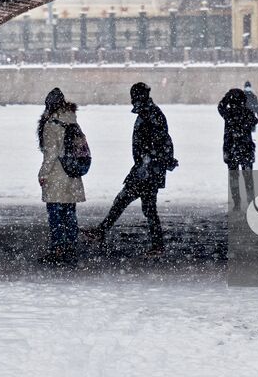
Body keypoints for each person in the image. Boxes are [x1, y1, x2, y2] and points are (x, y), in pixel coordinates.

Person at [87, 82, 178, 256]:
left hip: (147, 171)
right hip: (146, 169)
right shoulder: (148, 113)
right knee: (144, 207)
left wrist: (155, 161)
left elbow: (162, 141)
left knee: (127, 202)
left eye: (133, 97)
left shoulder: (152, 115)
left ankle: (102, 232)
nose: (131, 101)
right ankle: (156, 244)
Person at [38, 88, 86, 266]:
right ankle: (71, 248)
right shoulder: (73, 122)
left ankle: (58, 249)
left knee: (56, 215)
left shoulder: (52, 124)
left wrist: (43, 173)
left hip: (57, 175)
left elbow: (50, 154)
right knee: (70, 214)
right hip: (72, 174)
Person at [217, 88, 258, 211]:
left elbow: (220, 107)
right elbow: (254, 121)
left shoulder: (228, 113)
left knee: (234, 176)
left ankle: (237, 202)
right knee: (248, 176)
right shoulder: (248, 113)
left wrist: (227, 96)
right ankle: (251, 200)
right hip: (246, 148)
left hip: (231, 149)